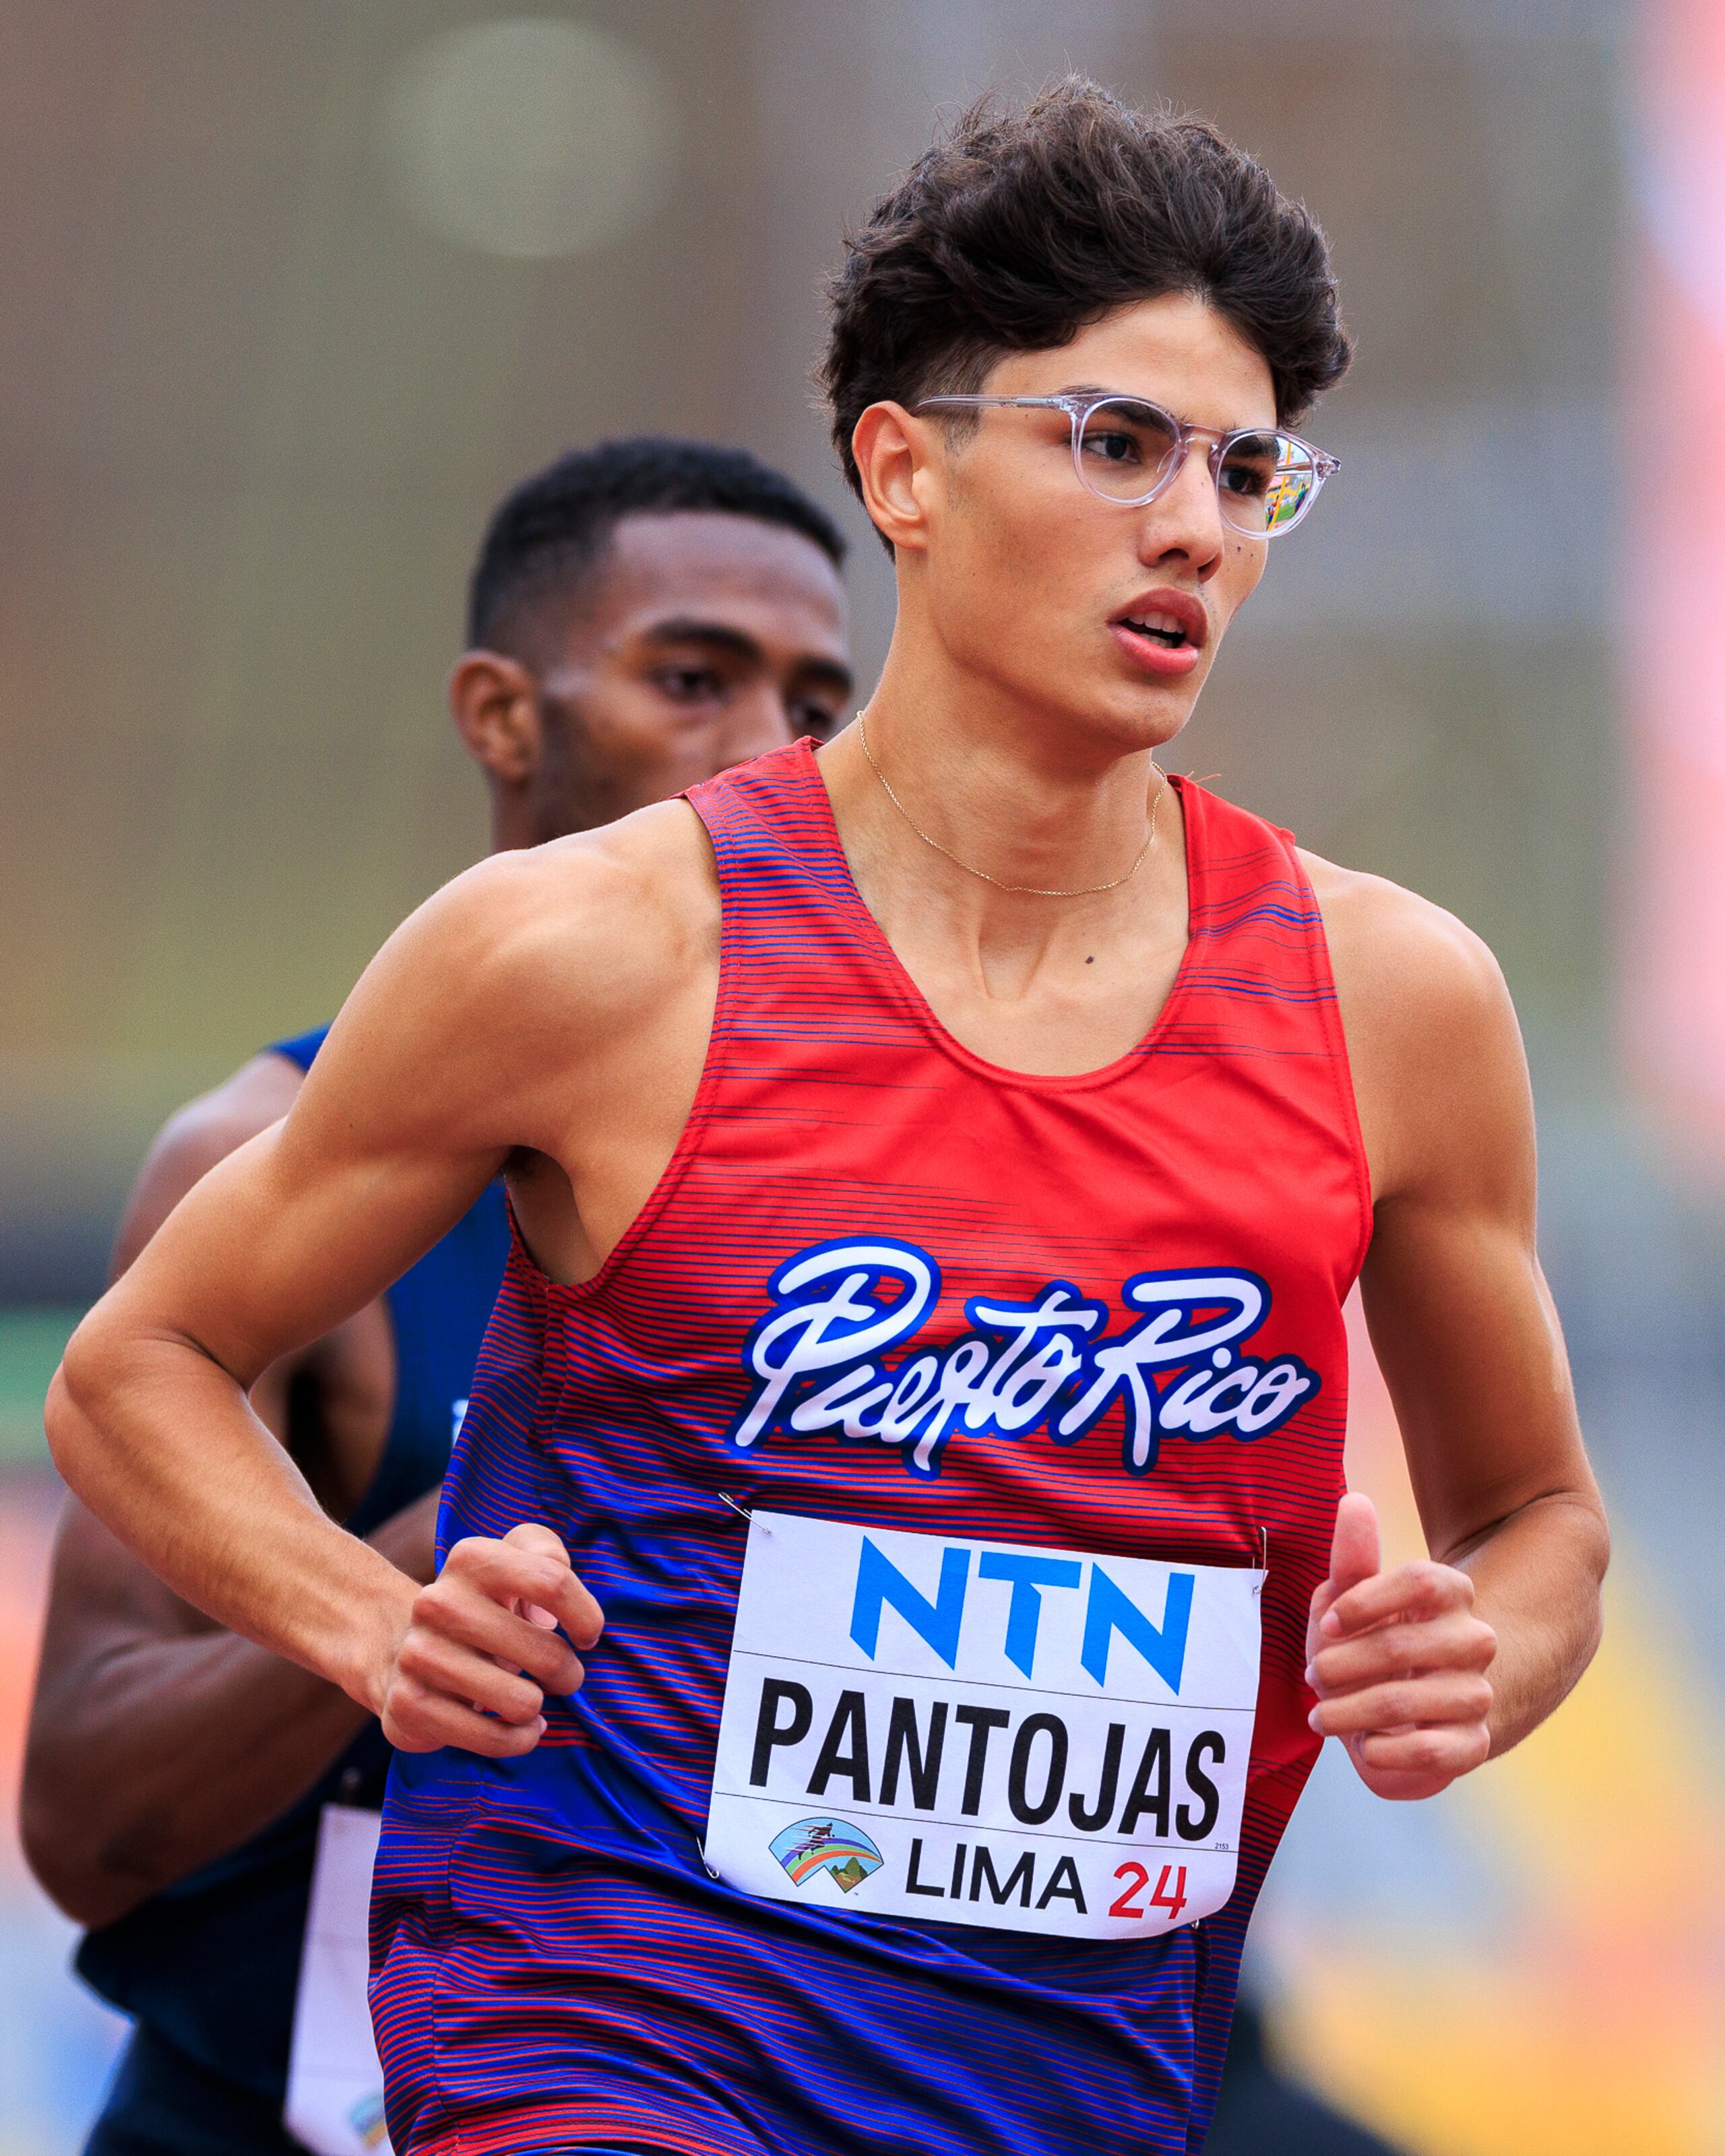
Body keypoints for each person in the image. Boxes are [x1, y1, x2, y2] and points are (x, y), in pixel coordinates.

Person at [46, 82, 1609, 2156]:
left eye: (1249, 474)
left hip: (1073, 2089)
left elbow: (1540, 1522)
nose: (1195, 529)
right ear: (904, 470)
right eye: (1117, 443)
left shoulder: (1395, 999)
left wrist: (1476, 1654)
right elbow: (138, 1367)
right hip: (609, 2053)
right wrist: (367, 1622)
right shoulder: (593, 949)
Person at [23, 437, 852, 2156]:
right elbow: (90, 1818)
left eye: (817, 706)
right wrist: (415, 1569)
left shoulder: (892, 1198)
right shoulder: (265, 1166)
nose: (771, 752)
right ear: (501, 715)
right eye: (690, 678)